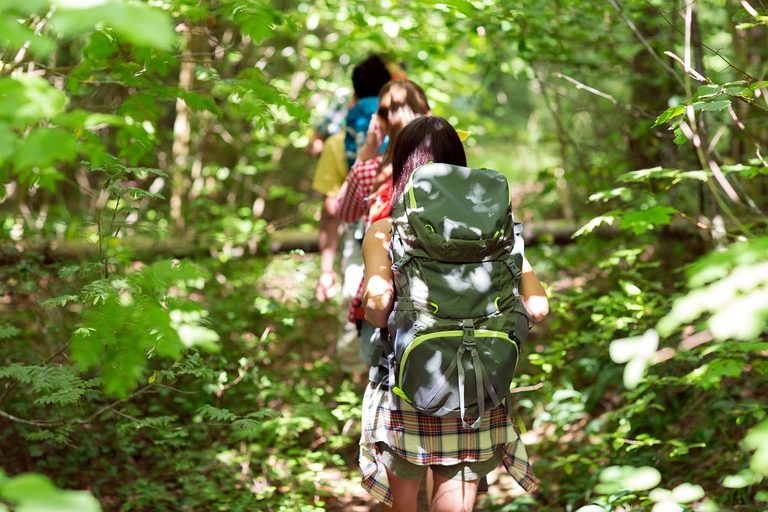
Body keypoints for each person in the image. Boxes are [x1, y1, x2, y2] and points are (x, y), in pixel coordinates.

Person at [359, 116, 550, 511]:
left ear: (403, 166)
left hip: (407, 389)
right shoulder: (500, 232)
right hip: (477, 391)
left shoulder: (386, 230)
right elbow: (537, 306)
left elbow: (377, 307)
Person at [333, 79, 431, 365]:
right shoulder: (444, 168)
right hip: (435, 295)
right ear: (426, 113)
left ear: (381, 122)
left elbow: (345, 212)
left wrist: (365, 151)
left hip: (382, 297)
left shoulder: (370, 170)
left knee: (383, 376)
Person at [311, 55, 392, 374]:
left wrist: (326, 270)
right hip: (405, 235)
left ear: (354, 94)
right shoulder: (411, 134)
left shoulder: (337, 142)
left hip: (358, 239)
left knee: (355, 308)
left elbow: (332, 210)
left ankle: (356, 381)